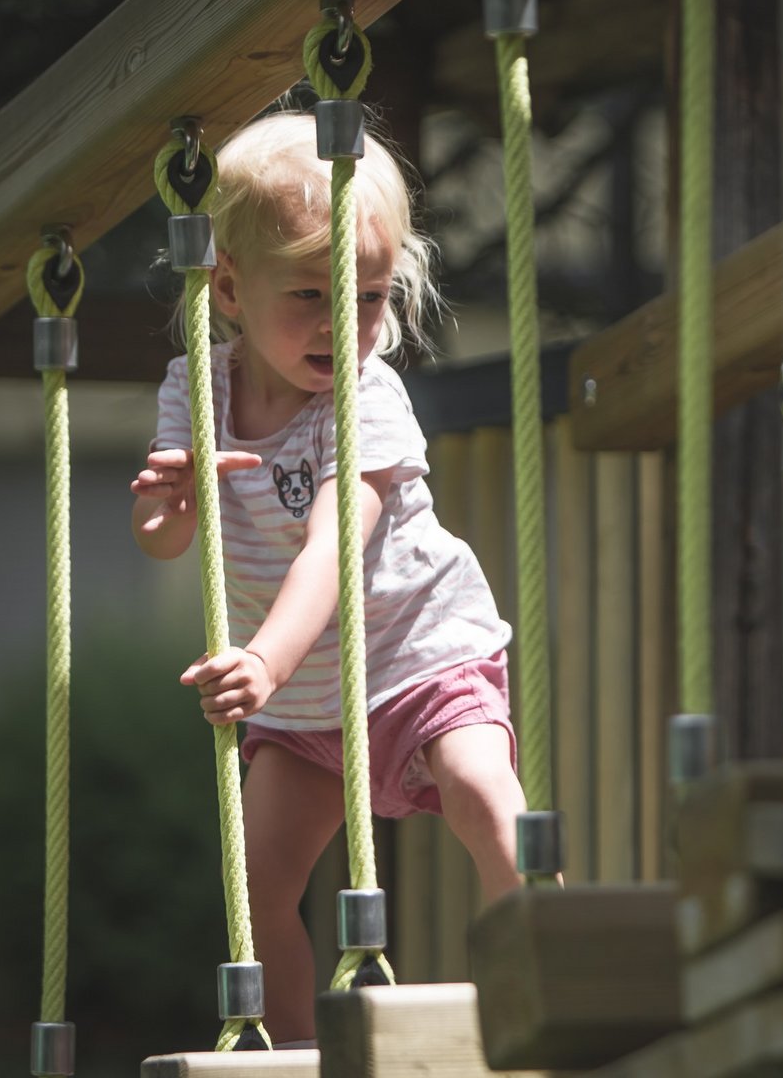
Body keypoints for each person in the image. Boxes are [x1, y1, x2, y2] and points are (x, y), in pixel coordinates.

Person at [128, 111, 525, 1044]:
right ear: (227, 287)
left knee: (489, 805)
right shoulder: (198, 391)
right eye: (308, 295)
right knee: (257, 891)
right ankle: (305, 1055)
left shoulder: (367, 394)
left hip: (419, 660)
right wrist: (168, 506)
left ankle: (544, 988)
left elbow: (331, 551)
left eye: (370, 297)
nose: (342, 324)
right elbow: (160, 535)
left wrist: (259, 661)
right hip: (307, 704)